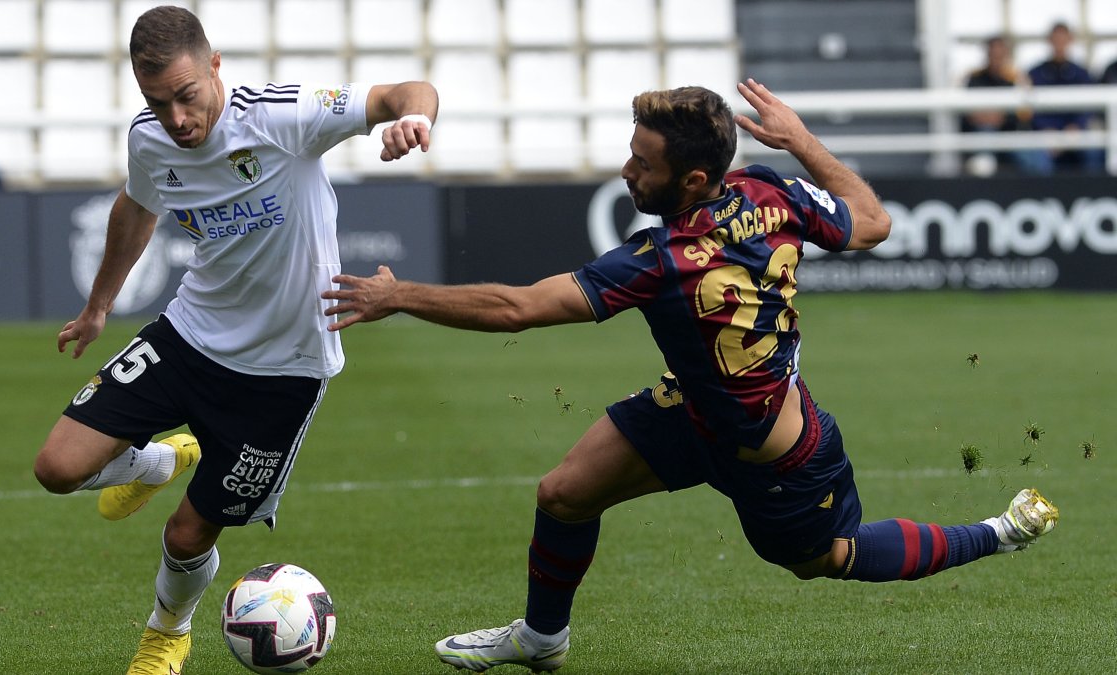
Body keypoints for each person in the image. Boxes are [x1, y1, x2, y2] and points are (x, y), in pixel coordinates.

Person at [322, 80, 1059, 672]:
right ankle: (542, 640)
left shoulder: (661, 260)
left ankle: (995, 532)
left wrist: (399, 295)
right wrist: (802, 142)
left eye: (643, 164)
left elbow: (518, 309)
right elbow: (872, 220)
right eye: (630, 153)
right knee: (564, 494)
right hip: (695, 408)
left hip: (779, 455)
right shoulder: (774, 192)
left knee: (829, 558)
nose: (626, 169)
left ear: (694, 178)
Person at [30, 6, 437, 674]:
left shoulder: (283, 115)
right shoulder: (150, 138)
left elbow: (400, 93)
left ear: (215, 67)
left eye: (187, 97)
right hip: (190, 337)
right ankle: (159, 462)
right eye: (157, 103)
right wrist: (99, 304)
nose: (176, 119)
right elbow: (136, 206)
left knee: (187, 534)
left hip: (285, 371)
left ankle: (167, 631)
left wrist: (414, 119)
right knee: (56, 467)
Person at [960, 36, 1050, 176]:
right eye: (993, 54)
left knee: (1037, 156)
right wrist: (988, 117)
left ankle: (1044, 190)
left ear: (1006, 55)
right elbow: (969, 113)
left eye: (1000, 54)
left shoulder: (1015, 79)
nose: (997, 58)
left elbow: (1022, 114)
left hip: (1011, 134)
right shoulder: (974, 79)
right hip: (984, 133)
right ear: (987, 54)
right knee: (985, 136)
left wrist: (1001, 117)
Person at [1027, 22, 1104, 172]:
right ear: (1049, 41)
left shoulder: (1081, 73)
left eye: (1063, 39)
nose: (1059, 44)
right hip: (1045, 133)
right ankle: (1044, 194)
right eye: (1056, 40)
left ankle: (1092, 193)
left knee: (1093, 153)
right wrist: (1046, 129)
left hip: (1076, 132)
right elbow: (1029, 108)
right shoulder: (1035, 73)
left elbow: (1089, 106)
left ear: (1070, 40)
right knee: (1036, 156)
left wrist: (1076, 127)